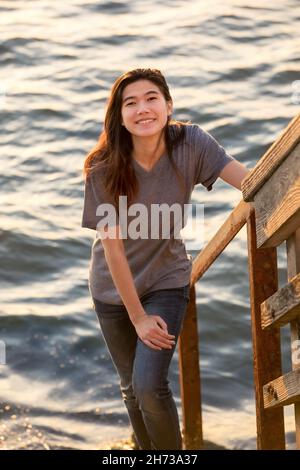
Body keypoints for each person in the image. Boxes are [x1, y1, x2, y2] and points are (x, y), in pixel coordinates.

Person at [81, 68, 250, 450]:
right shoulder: (103, 167)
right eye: (131, 102)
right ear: (119, 116)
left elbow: (249, 181)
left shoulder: (192, 143)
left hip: (166, 281)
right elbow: (113, 249)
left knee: (149, 385)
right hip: (112, 290)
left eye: (152, 98)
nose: (143, 109)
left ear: (168, 105)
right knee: (131, 388)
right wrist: (137, 316)